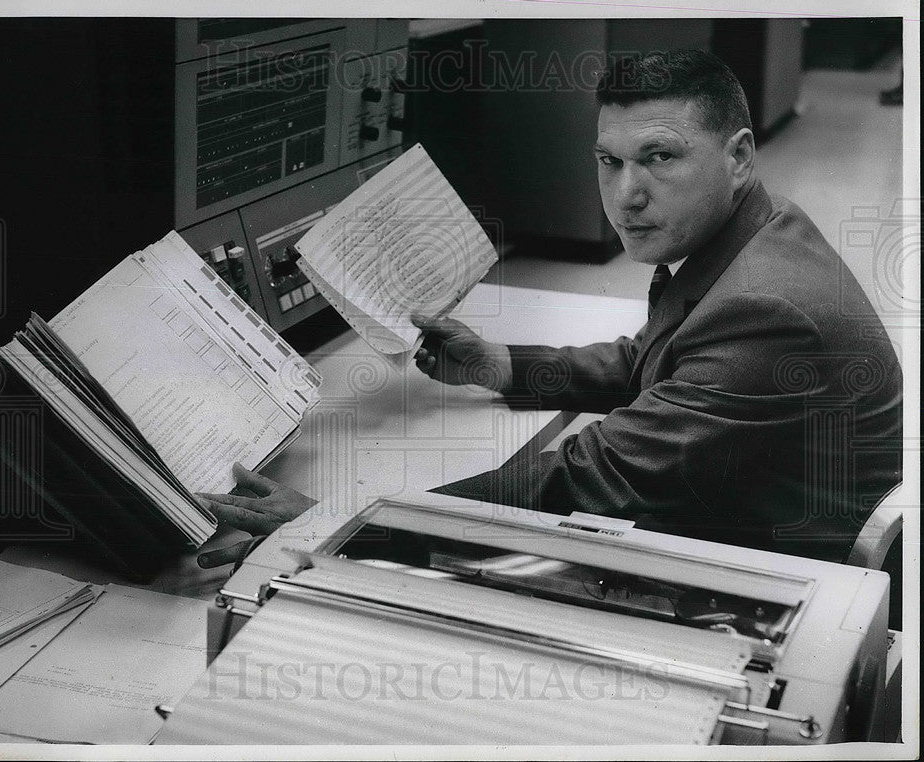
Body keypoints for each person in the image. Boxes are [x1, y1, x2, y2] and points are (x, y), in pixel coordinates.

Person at [198, 50, 902, 569]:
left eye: (660, 157)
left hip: (777, 565)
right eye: (608, 160)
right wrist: (502, 364)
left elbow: (586, 479)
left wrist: (339, 525)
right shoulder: (755, 223)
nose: (626, 193)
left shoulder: (766, 308)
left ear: (739, 155)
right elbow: (656, 359)